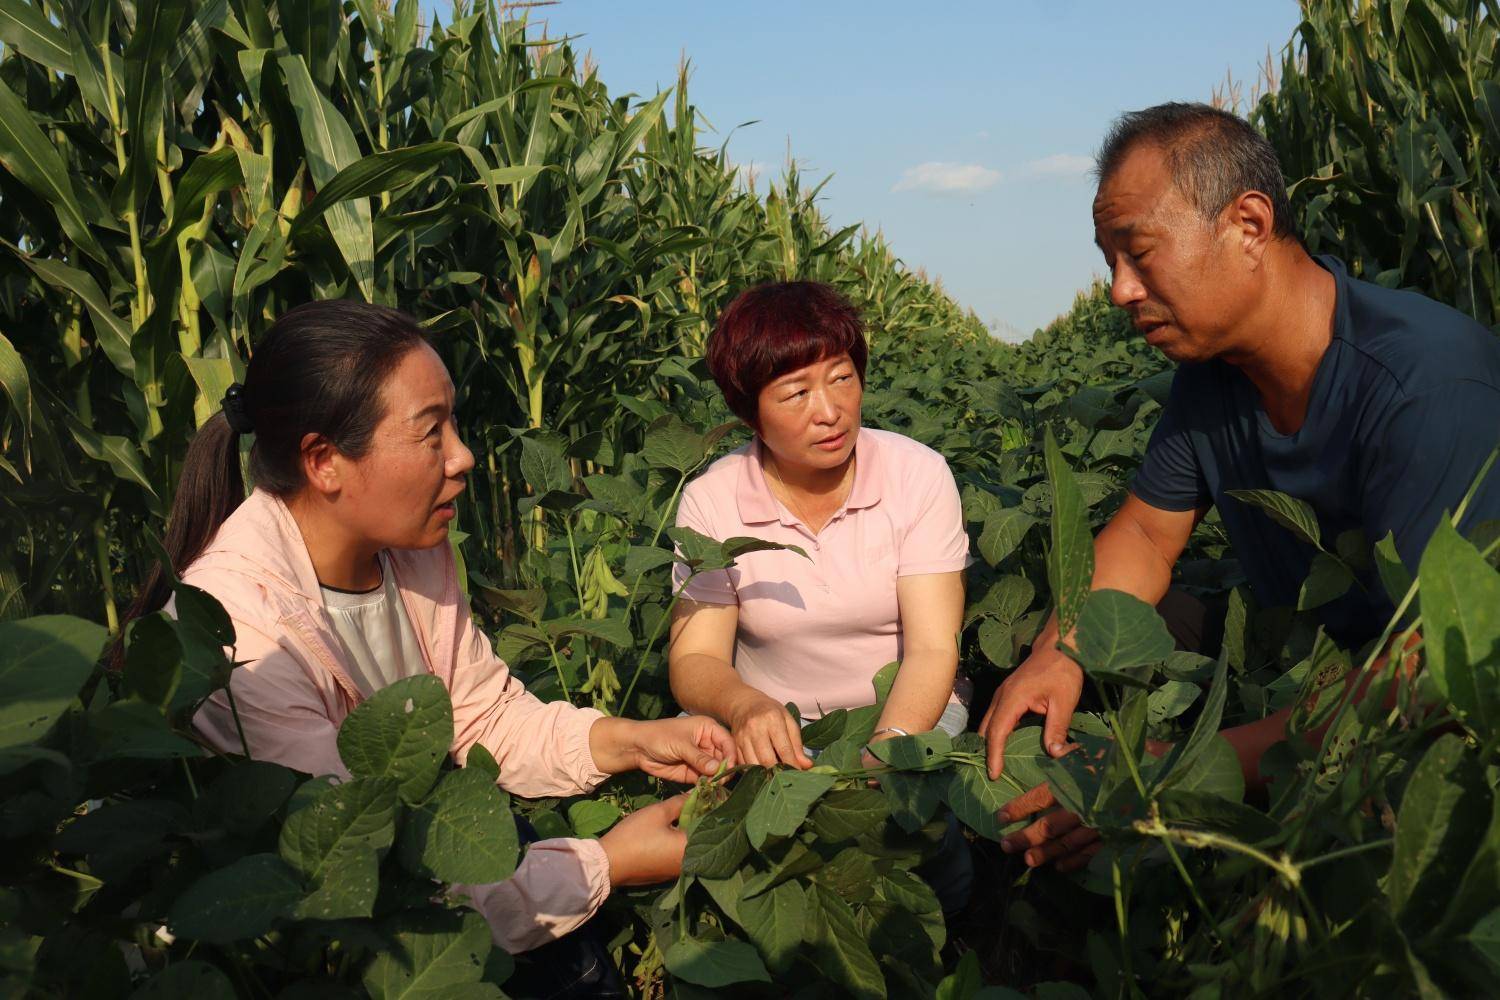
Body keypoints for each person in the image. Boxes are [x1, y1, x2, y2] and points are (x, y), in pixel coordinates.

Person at [125, 301, 735, 967]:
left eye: (455, 424)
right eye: (430, 433)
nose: (463, 456)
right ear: (324, 461)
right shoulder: (240, 632)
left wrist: (630, 741)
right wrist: (606, 864)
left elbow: (484, 715)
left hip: (423, 862)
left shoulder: (407, 546)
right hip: (326, 943)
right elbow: (366, 862)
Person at [981, 102, 1500, 872]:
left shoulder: (1423, 386)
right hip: (1300, 662)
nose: (1120, 290)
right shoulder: (1213, 377)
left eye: (1139, 252)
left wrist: (1174, 775)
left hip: (1425, 714)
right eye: (1108, 261)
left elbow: (1424, 676)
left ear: (1249, 225)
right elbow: (1148, 535)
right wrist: (1061, 649)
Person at [666, 281, 974, 909]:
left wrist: (884, 758)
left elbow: (933, 651)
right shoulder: (713, 499)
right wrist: (747, 707)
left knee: (918, 843)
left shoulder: (916, 474)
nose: (829, 410)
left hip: (910, 706)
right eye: (796, 393)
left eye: (841, 378)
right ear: (750, 412)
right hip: (775, 722)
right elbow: (695, 660)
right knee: (734, 837)